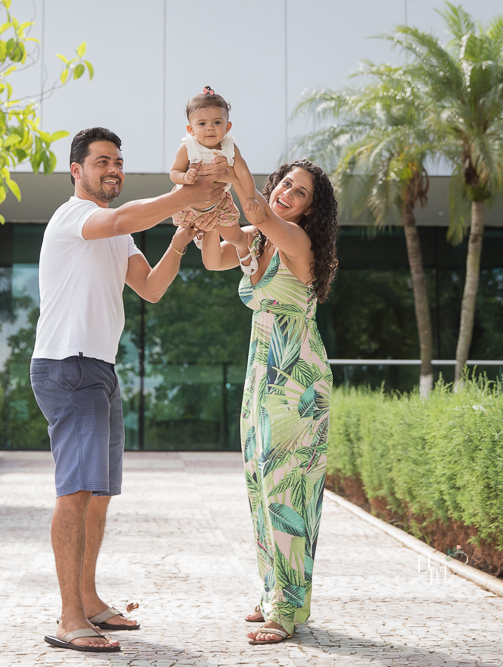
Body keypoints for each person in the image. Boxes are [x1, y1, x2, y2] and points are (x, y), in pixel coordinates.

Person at [31, 127, 230, 653]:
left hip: (99, 369)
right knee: (76, 492)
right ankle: (69, 618)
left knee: (98, 494)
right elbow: (122, 218)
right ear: (76, 170)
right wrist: (188, 194)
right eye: (102, 161)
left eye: (118, 161)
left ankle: (89, 600)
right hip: (68, 366)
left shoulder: (118, 236)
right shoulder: (74, 216)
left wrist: (182, 236)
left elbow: (151, 288)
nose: (113, 169)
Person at [198, 159, 338, 646]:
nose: (287, 194)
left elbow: (254, 209)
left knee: (287, 492)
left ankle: (287, 608)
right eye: (286, 184)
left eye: (299, 193)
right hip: (263, 373)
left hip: (296, 381)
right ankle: (274, 592)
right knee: (261, 487)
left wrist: (228, 155)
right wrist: (209, 205)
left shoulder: (296, 241)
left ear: (310, 210)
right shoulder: (258, 239)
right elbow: (213, 257)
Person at [169, 87, 260, 230]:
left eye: (217, 122)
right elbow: (174, 172)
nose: (210, 127)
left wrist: (251, 197)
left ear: (227, 127)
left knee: (234, 235)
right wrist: (185, 177)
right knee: (185, 233)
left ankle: (235, 244)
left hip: (219, 203)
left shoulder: (230, 148)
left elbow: (244, 173)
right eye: (202, 123)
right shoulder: (188, 147)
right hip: (187, 203)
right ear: (191, 129)